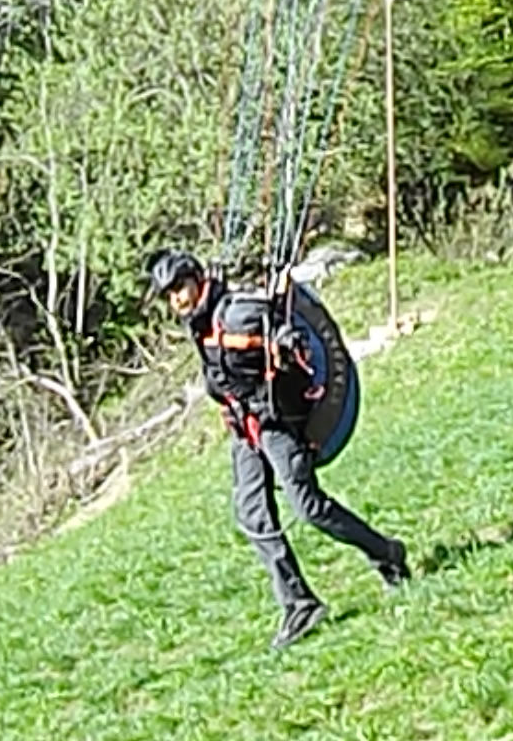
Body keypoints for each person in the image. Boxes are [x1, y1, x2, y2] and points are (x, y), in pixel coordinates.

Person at [148, 247, 409, 648]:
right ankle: (299, 604)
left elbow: (283, 331)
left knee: (309, 507)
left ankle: (387, 553)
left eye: (179, 288)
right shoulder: (201, 323)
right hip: (245, 429)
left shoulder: (237, 313)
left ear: (196, 280)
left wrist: (286, 346)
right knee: (252, 514)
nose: (176, 300)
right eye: (169, 295)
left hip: (278, 424)